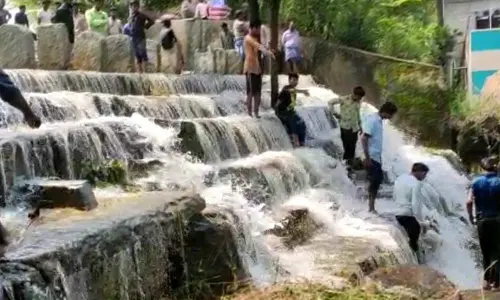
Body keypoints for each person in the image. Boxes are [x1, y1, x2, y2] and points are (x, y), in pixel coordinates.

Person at [467, 157, 500, 290]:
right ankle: (496, 283)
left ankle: (486, 281)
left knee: (485, 251)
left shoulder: (475, 182)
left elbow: (469, 202)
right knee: (497, 251)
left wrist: (471, 217)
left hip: (482, 220)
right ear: (495, 168)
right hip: (498, 220)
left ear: (481, 168)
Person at [361, 101, 398, 213]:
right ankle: (370, 207)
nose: (391, 117)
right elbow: (364, 138)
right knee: (375, 180)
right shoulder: (373, 120)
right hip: (371, 156)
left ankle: (371, 206)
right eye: (391, 115)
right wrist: (367, 158)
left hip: (376, 156)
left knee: (377, 180)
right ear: (386, 112)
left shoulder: (378, 120)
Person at [393, 163, 431, 261]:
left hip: (397, 214)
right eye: (424, 174)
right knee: (414, 245)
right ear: (420, 172)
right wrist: (421, 222)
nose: (424, 177)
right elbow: (415, 205)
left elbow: (394, 196)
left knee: (408, 242)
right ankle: (416, 266)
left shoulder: (399, 179)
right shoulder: (416, 183)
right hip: (408, 215)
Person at [327, 86, 365, 169]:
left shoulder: (358, 102)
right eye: (359, 97)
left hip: (354, 127)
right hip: (345, 127)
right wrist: (334, 113)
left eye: (361, 98)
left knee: (352, 146)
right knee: (347, 146)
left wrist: (360, 126)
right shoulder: (344, 99)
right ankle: (347, 165)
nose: (360, 99)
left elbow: (357, 114)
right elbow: (330, 102)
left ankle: (349, 164)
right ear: (355, 94)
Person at [243, 19, 274, 118]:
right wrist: (268, 53)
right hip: (250, 68)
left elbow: (261, 47)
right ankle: (249, 113)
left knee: (258, 92)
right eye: (258, 29)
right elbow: (259, 47)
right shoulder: (248, 38)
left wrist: (269, 50)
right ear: (253, 28)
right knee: (251, 92)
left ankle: (256, 112)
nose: (259, 31)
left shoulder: (255, 39)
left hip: (257, 68)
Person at [275, 73, 309, 147]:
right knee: (293, 122)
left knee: (302, 123)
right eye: (293, 80)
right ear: (289, 80)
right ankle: (295, 142)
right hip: (282, 112)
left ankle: (302, 143)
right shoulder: (286, 88)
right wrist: (303, 92)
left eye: (296, 80)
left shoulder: (293, 91)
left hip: (289, 112)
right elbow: (292, 90)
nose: (295, 82)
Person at [129, 0, 154, 73]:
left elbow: (151, 21)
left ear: (138, 7)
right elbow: (131, 26)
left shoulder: (141, 15)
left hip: (141, 37)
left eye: (135, 6)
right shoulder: (132, 16)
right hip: (134, 37)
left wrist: (145, 27)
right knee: (137, 54)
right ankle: (140, 71)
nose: (134, 7)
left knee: (143, 52)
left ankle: (145, 71)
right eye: (132, 6)